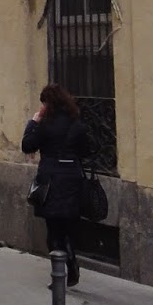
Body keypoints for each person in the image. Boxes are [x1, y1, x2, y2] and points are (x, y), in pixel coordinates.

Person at [21, 83, 92, 287]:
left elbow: (27, 145)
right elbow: (87, 151)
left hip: (50, 181)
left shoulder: (44, 125)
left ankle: (59, 275)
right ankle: (72, 262)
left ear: (48, 104)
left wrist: (33, 122)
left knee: (53, 230)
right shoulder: (76, 123)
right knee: (68, 226)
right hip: (72, 179)